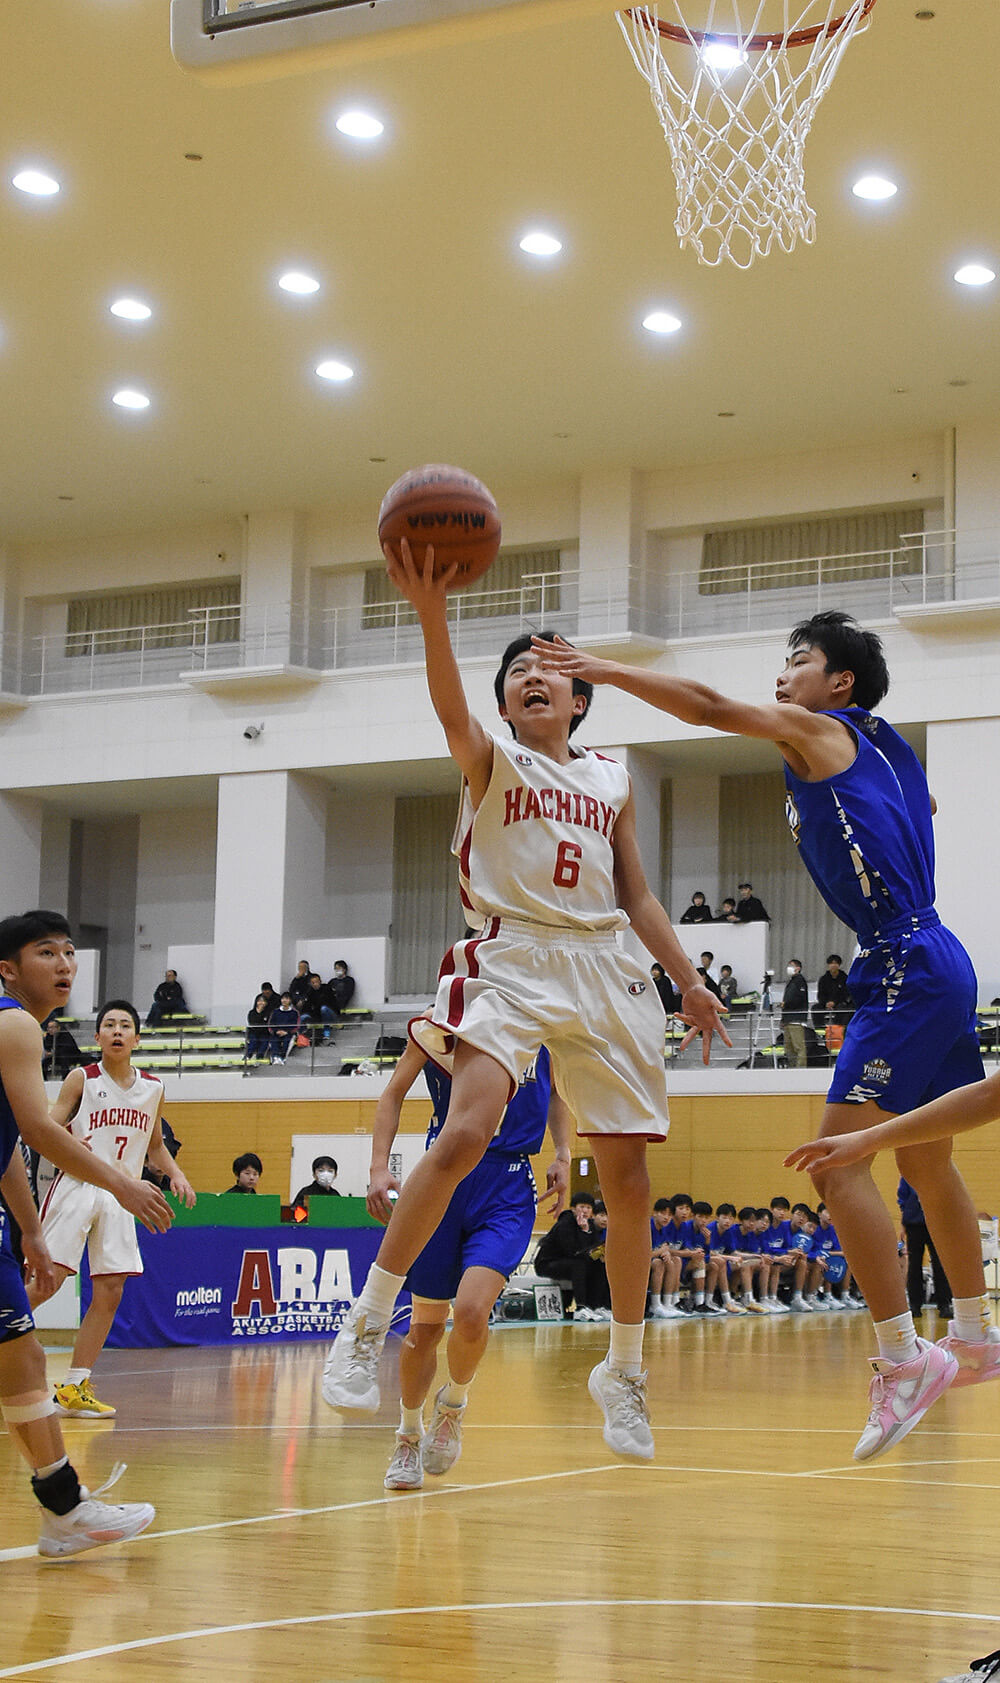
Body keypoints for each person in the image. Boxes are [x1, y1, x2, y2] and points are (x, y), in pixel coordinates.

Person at [535, 611, 995, 1461]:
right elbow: (919, 800)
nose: (783, 674)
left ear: (839, 684)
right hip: (942, 956)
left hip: (901, 959)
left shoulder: (816, 730)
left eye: (801, 660)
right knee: (927, 1161)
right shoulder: (886, 741)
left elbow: (709, 706)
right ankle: (973, 1335)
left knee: (836, 1162)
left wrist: (602, 667)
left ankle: (903, 1357)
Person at [322, 538, 729, 1463]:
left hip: (607, 965)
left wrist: (690, 977)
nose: (532, 680)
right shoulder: (489, 757)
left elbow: (638, 894)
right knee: (464, 1130)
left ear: (581, 697)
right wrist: (432, 609)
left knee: (627, 1180)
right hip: (510, 951)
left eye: (549, 671)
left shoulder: (613, 777)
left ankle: (623, 1369)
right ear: (505, 701)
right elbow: (445, 699)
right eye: (517, 674)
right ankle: (365, 1322)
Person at [0, 910, 172, 1555]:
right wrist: (122, 1184)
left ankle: (66, 1510)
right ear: (8, 969)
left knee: (23, 1357)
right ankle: (67, 1510)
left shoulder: (22, 1029)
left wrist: (28, 1230)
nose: (66, 963)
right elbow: (44, 1131)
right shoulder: (15, 1023)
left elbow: (10, 1146)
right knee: (21, 1356)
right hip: (88, 1185)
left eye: (70, 952)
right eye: (47, 952)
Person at [368, 1026, 572, 1489]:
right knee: (424, 1329)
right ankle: (407, 1434)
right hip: (443, 1175)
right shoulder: (446, 1022)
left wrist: (563, 1151)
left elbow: (557, 1093)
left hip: (507, 1186)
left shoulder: (545, 1027)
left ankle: (453, 1404)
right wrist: (380, 1166)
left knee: (473, 1311)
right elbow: (393, 1093)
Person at [27, 998, 195, 1419]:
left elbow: (154, 1145)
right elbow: (46, 1125)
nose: (117, 1031)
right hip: (78, 1184)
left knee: (111, 1288)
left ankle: (74, 1385)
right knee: (51, 1278)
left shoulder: (153, 1088)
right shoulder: (80, 1078)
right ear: (98, 1036)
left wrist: (176, 1174)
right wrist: (67, 1140)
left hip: (124, 1193)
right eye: (109, 1025)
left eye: (125, 1026)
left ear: (137, 1038)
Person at [535, 1191, 610, 1321]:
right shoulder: (565, 1223)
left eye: (588, 1208)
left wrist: (587, 1233)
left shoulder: (590, 1225)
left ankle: (596, 1306)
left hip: (570, 1262)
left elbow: (592, 1249)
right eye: (581, 1207)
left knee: (600, 1264)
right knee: (579, 1264)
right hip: (547, 1263)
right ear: (573, 1209)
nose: (585, 1211)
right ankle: (580, 1308)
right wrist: (584, 1233)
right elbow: (572, 1251)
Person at [897, 1176, 953, 1321]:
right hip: (914, 1223)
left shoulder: (937, 1170)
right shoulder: (907, 1174)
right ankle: (915, 1305)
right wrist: (906, 1216)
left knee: (940, 1264)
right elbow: (902, 1196)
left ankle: (944, 1304)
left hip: (936, 1222)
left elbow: (946, 1195)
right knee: (914, 1264)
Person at [292, 1155, 342, 1219]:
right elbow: (295, 1216)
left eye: (330, 1171)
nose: (326, 1174)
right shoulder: (306, 1192)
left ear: (335, 1175)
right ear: (314, 1174)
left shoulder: (335, 1194)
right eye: (321, 1170)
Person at [813, 953, 854, 1031]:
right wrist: (826, 1003)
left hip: (840, 1004)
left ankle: (837, 1030)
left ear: (839, 965)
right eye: (831, 963)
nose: (833, 965)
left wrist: (835, 1002)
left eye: (835, 963)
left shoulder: (845, 978)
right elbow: (821, 994)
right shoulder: (823, 979)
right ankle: (820, 1031)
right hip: (826, 1004)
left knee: (843, 1009)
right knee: (816, 1008)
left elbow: (846, 994)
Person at [781, 959, 809, 1068]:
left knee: (798, 1046)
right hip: (788, 1018)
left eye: (792, 966)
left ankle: (801, 1068)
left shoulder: (800, 981)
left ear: (798, 968)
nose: (789, 968)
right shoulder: (791, 982)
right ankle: (792, 1067)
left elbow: (798, 999)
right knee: (789, 1047)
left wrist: (786, 1003)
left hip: (796, 1018)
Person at [41, 1011, 83, 1081]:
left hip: (70, 1056)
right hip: (55, 1056)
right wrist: (49, 1053)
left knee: (63, 1057)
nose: (50, 1030)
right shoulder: (48, 1036)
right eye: (49, 1028)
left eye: (52, 1027)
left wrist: (54, 1052)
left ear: (58, 1028)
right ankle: (43, 1079)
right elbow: (46, 1046)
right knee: (45, 1062)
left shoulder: (65, 1035)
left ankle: (65, 1078)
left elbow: (67, 1048)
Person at [300, 974, 336, 1043]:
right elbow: (307, 1007)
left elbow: (330, 1003)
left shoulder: (327, 989)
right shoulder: (309, 993)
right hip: (317, 1014)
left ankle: (326, 1031)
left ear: (320, 981)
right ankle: (301, 1035)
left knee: (324, 1009)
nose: (315, 984)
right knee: (303, 1017)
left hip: (331, 1013)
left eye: (316, 982)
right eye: (313, 983)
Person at [267, 992, 299, 1064]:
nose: (284, 1000)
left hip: (288, 1033)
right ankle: (275, 1057)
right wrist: (276, 1031)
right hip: (276, 1033)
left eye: (286, 999)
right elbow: (271, 1024)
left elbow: (296, 1025)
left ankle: (282, 1057)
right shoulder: (275, 1012)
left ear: (290, 1000)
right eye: (283, 998)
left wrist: (287, 1032)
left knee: (286, 1042)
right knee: (274, 1040)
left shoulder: (294, 1013)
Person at [245, 994, 271, 1060]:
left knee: (264, 1041)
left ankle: (260, 1056)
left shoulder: (268, 1013)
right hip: (254, 1031)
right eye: (259, 1001)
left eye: (263, 1001)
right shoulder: (252, 1012)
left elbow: (267, 1023)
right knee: (253, 1041)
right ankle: (248, 1056)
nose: (261, 1003)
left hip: (264, 1032)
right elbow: (252, 1022)